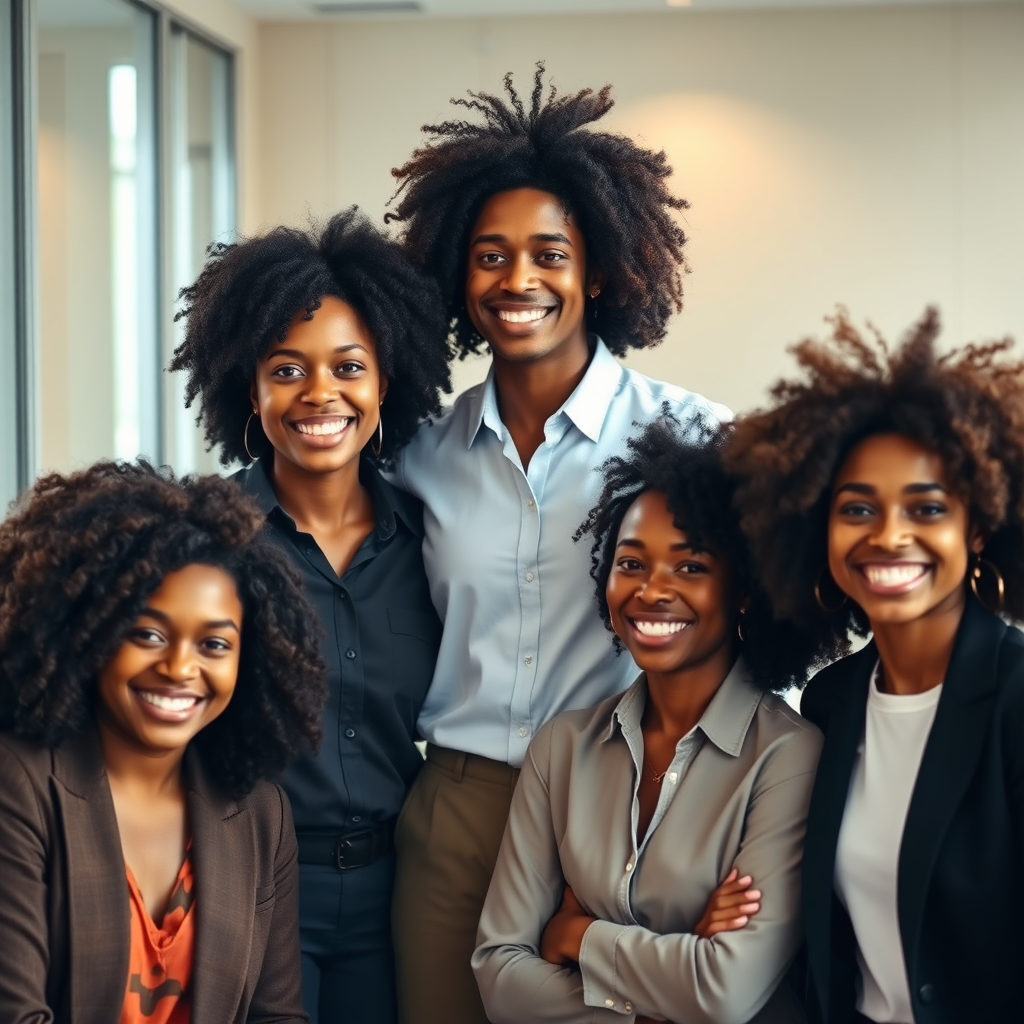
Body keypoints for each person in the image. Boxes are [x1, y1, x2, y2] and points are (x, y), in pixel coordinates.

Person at [385, 65, 729, 1024]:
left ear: (603, 268)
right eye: (490, 257)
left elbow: (753, 630)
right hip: (459, 809)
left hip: (622, 803)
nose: (518, 281)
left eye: (548, 253)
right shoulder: (418, 456)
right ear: (457, 271)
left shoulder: (696, 439)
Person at [169, 208, 451, 1024]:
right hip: (248, 880)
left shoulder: (434, 540)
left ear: (384, 383)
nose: (320, 394)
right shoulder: (203, 542)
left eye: (347, 367)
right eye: (287, 370)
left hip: (398, 890)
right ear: (249, 393)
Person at [472, 415, 834, 1024]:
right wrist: (668, 979)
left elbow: (725, 993)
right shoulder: (561, 749)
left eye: (690, 567)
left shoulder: (789, 756)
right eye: (631, 563)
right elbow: (500, 974)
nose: (651, 591)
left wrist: (578, 938)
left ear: (742, 589)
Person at [725, 307, 1024, 1024]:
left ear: (978, 527)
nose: (888, 537)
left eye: (925, 510)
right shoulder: (832, 700)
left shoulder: (1016, 699)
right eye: (857, 510)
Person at [0, 460, 326, 1024]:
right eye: (147, 634)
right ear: (90, 628)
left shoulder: (259, 814)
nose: (180, 668)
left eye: (214, 645)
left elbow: (278, 1015)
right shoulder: (20, 783)